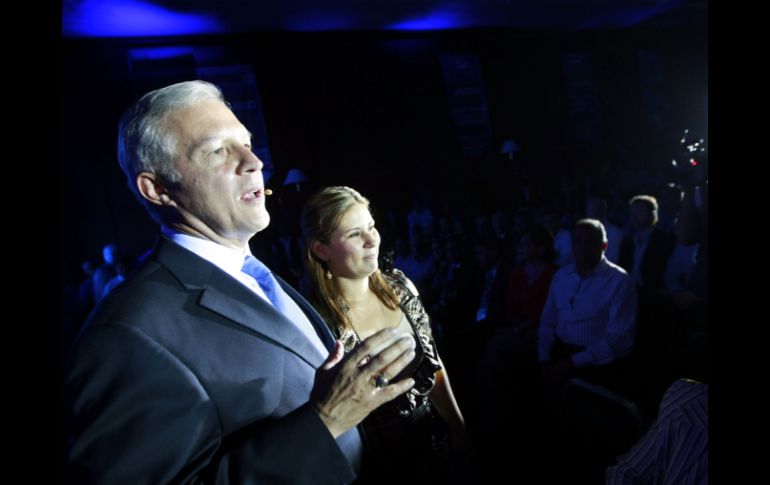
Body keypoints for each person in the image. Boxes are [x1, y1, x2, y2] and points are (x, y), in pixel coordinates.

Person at [64, 80, 418, 484]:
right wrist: (324, 421)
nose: (253, 161)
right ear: (158, 188)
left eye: (247, 143)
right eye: (217, 150)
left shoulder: (255, 275)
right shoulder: (126, 334)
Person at [301, 186, 468, 484]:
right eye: (354, 234)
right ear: (321, 249)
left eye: (371, 227)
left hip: (434, 452)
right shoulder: (320, 324)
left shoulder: (401, 286)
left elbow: (434, 364)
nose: (371, 240)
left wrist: (458, 425)